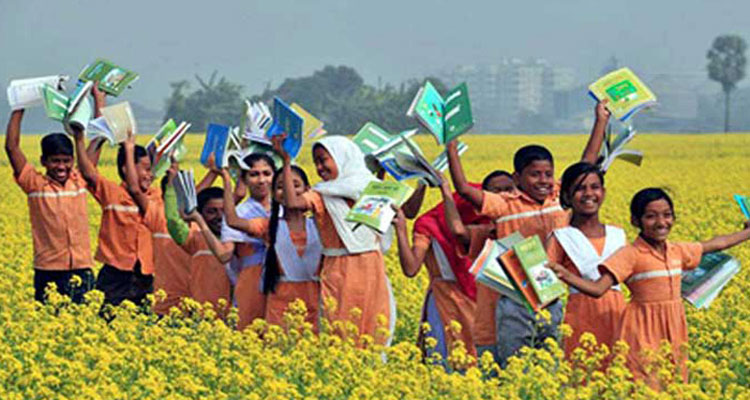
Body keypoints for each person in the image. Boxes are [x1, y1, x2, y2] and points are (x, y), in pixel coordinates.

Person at [445, 101, 608, 366]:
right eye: (535, 175)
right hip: (517, 296)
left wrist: (600, 121)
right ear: (517, 177)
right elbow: (463, 189)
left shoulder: (558, 195)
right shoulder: (505, 204)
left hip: (551, 294)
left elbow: (586, 163)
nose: (543, 181)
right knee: (515, 365)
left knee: (550, 366)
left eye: (548, 174)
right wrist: (451, 148)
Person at [549, 188, 750, 385]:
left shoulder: (677, 251)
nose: (661, 222)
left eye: (667, 215)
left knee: (675, 382)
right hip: (642, 330)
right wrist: (566, 275)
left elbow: (717, 244)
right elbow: (598, 289)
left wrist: (747, 233)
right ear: (635, 221)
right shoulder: (630, 254)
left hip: (674, 328)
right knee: (645, 383)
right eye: (651, 216)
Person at [279, 135, 395, 345]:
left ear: (343, 158)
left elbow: (407, 211)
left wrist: (424, 179)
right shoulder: (322, 194)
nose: (319, 167)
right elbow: (293, 203)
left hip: (372, 268)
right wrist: (287, 162)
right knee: (340, 329)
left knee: (375, 326)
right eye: (316, 162)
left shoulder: (371, 187)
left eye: (324, 160)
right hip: (340, 270)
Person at [393, 170, 512, 364]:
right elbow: (411, 268)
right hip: (444, 304)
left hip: (483, 300)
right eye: (496, 191)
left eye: (508, 190)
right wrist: (400, 231)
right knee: (446, 358)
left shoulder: (495, 225)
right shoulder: (429, 225)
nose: (502, 197)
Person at [5, 86, 106, 303]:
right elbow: (12, 147)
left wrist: (99, 102)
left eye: (66, 161)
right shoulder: (35, 185)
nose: (62, 167)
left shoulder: (80, 180)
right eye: (55, 161)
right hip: (48, 271)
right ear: (44, 162)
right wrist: (20, 106)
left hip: (82, 268)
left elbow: (98, 140)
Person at [544, 162, 626, 362]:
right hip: (580, 316)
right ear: (567, 196)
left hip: (619, 315)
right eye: (580, 189)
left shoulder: (618, 234)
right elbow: (543, 285)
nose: (589, 194)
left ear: (603, 192)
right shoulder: (560, 237)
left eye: (595, 187)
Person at [224, 164, 322, 329]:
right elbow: (233, 221)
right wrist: (227, 180)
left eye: (295, 185)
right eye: (280, 187)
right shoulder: (270, 226)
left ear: (308, 189)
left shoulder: (320, 225)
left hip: (315, 301)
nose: (289, 191)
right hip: (280, 303)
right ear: (274, 195)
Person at [73, 125, 155, 308]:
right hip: (115, 274)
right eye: (146, 169)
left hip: (145, 274)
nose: (151, 175)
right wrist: (79, 140)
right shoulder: (112, 193)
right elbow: (87, 172)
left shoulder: (155, 196)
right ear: (127, 169)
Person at [199, 153, 276, 330]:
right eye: (254, 174)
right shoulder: (238, 213)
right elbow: (225, 254)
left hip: (283, 278)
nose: (261, 180)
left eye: (267, 173)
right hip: (251, 280)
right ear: (244, 179)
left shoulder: (284, 209)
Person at [163, 162, 232, 319]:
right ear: (199, 214)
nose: (219, 217)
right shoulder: (195, 240)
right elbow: (174, 221)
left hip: (235, 317)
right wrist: (173, 186)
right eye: (211, 212)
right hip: (202, 316)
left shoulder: (240, 239)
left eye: (224, 211)